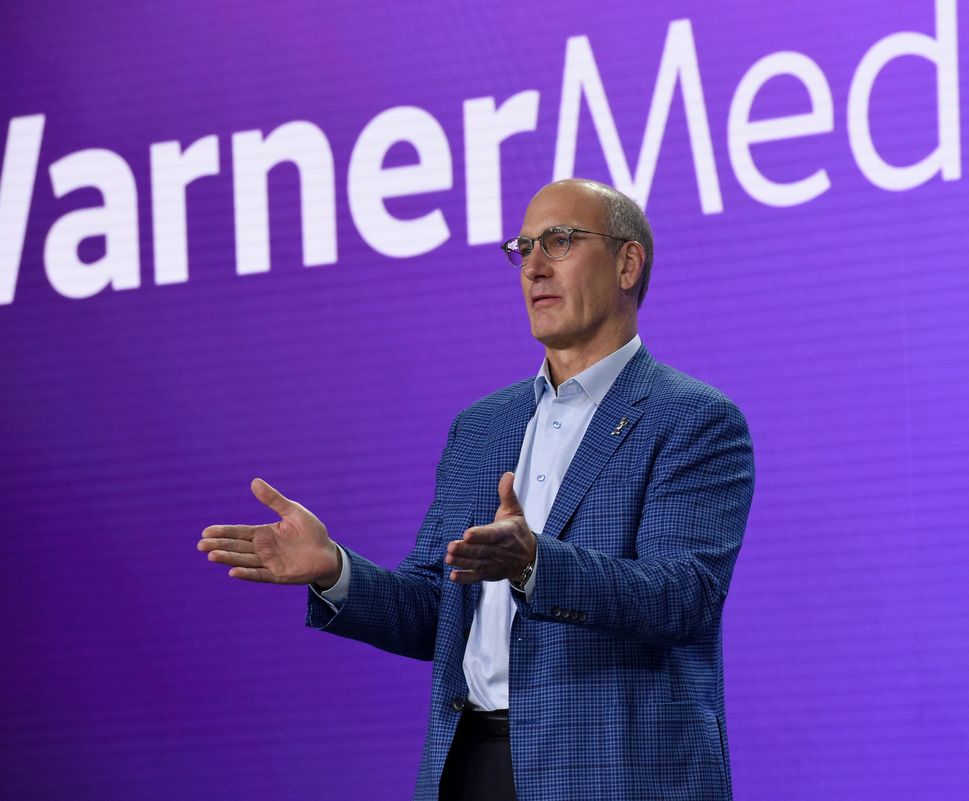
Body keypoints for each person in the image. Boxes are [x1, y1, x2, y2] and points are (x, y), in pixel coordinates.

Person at [198, 178, 755, 801]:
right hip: (469, 766)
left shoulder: (693, 419)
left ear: (628, 262)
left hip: (612, 768)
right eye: (523, 248)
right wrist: (335, 571)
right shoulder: (481, 427)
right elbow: (436, 610)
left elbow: (683, 597)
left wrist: (535, 563)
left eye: (560, 241)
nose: (534, 267)